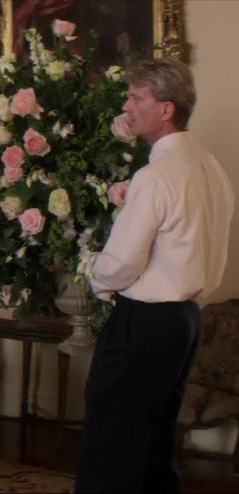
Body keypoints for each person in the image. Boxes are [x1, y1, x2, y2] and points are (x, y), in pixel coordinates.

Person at [77, 58, 234, 492]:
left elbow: (122, 263)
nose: (127, 106)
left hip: (144, 323)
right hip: (186, 321)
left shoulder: (157, 175)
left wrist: (93, 273)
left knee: (113, 442)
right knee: (154, 442)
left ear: (166, 109)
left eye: (135, 97)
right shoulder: (211, 168)